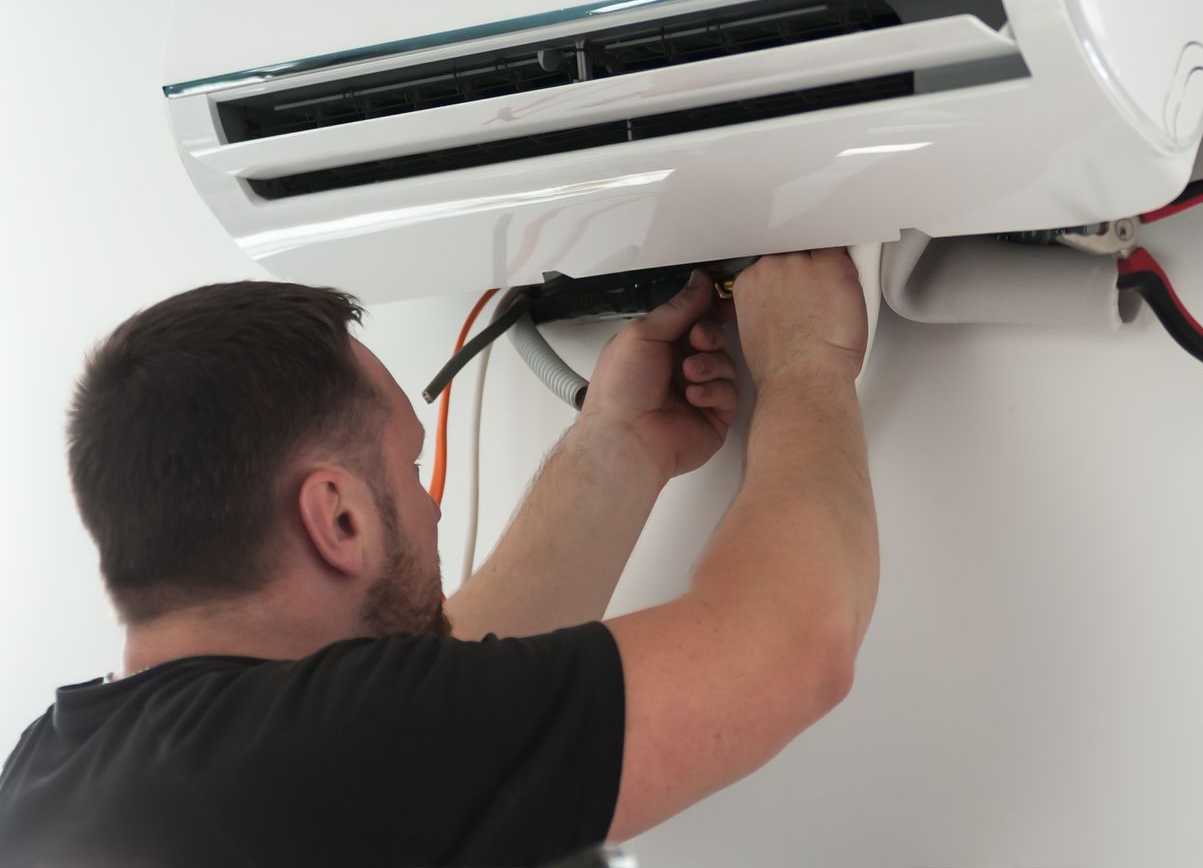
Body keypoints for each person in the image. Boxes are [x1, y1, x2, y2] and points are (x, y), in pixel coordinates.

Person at [0, 249, 879, 867]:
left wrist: (619, 447)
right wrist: (808, 360)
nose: (431, 504)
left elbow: (441, 704)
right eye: (410, 466)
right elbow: (792, 643)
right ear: (336, 516)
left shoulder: (44, 779)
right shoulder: (316, 753)